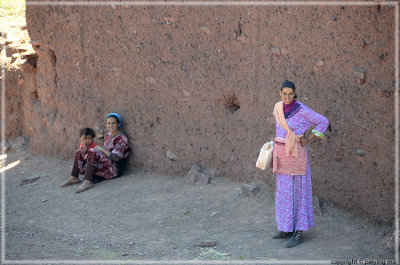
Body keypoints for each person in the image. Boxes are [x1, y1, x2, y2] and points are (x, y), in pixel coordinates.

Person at [271, 80, 329, 248]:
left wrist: (309, 138)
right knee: (284, 193)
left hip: (296, 155)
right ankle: (286, 228)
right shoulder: (277, 108)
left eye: (290, 94)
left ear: (294, 93)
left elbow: (323, 121)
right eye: (284, 94)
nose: (287, 97)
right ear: (280, 93)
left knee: (298, 192)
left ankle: (298, 232)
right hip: (282, 155)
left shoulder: (302, 110)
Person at [61, 113, 130, 193]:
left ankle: (88, 181)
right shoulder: (109, 134)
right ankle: (74, 177)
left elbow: (116, 157)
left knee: (93, 151)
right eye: (108, 123)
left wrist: (99, 149)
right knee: (80, 151)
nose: (111, 126)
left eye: (113, 123)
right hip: (107, 163)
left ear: (118, 124)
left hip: (114, 168)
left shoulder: (122, 138)